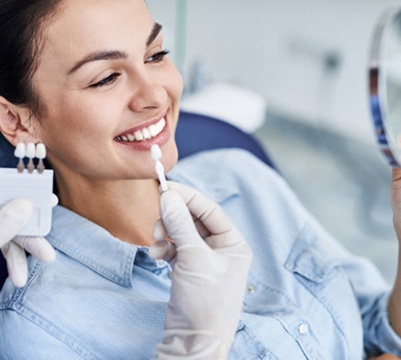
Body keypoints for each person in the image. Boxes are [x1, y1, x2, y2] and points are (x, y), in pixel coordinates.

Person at [0, 0, 400, 359]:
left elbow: (378, 335)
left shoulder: (241, 177)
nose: (155, 95)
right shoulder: (38, 325)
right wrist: (196, 349)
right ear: (16, 120)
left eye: (156, 55)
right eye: (106, 78)